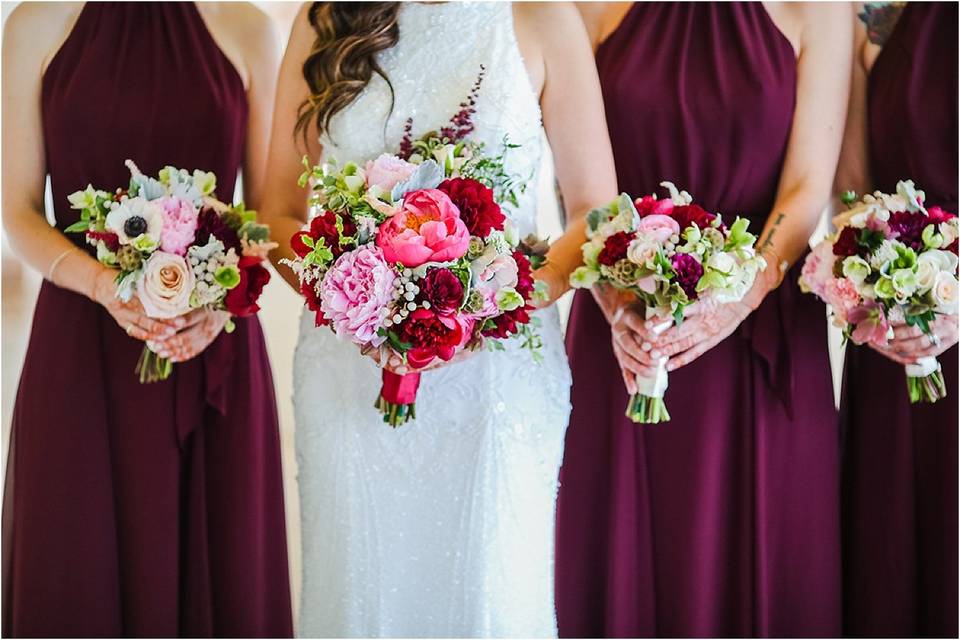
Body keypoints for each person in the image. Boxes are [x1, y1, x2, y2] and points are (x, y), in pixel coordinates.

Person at [258, 2, 617, 636]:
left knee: (491, 591)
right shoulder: (326, 21)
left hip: (498, 379)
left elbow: (593, 209)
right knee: (358, 590)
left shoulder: (540, 16)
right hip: (349, 371)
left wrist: (497, 303)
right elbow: (280, 210)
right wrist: (350, 302)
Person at [548, 2, 851, 636]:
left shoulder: (819, 8)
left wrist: (737, 298)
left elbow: (805, 190)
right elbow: (583, 193)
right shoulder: (585, 7)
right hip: (624, 330)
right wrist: (616, 303)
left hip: (762, 326)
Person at [2, 3, 292, 636]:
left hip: (212, 340)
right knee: (78, 565)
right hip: (80, 345)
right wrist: (106, 285)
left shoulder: (245, 25)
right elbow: (17, 210)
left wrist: (218, 305)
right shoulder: (35, 22)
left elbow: (270, 210)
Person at [835, 3, 958, 635]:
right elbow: (852, 190)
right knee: (888, 559)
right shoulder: (863, 15)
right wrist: (862, 288)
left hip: (947, 316)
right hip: (894, 329)